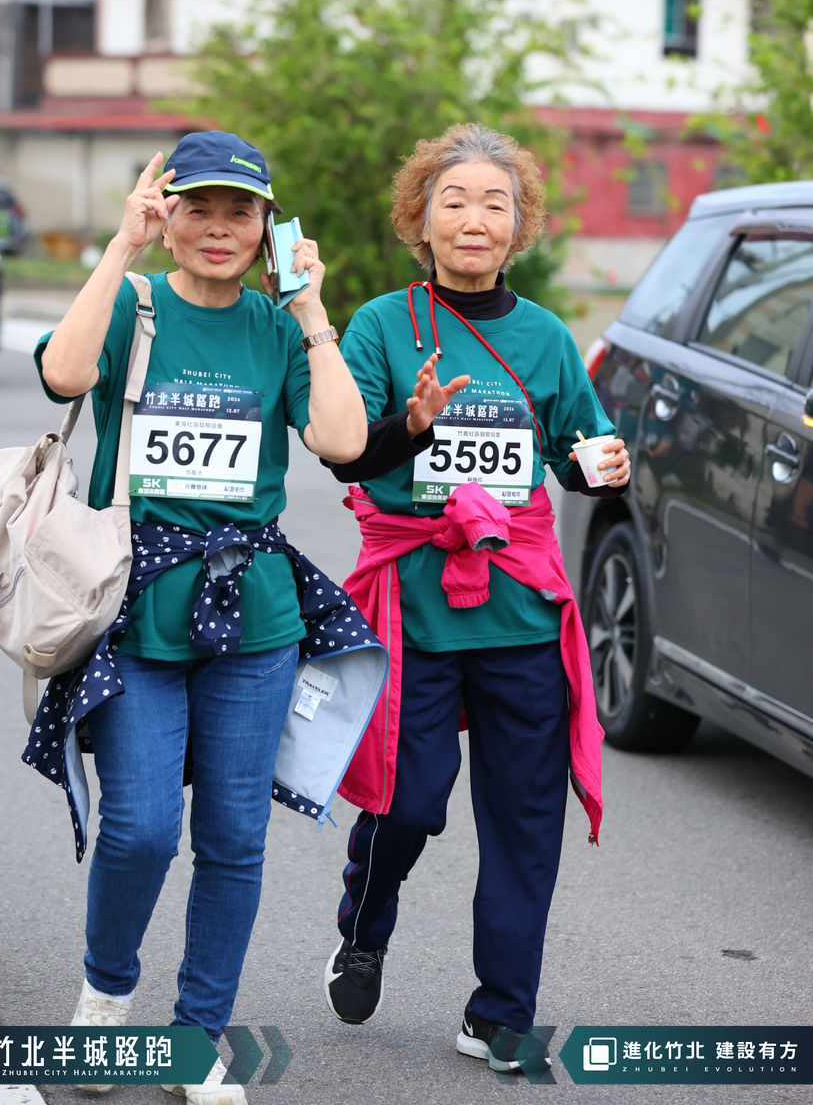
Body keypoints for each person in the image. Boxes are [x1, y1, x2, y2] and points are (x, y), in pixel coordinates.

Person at [30, 130, 367, 1105]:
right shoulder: (134, 304)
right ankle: (105, 995)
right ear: (166, 214)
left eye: (240, 212)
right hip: (134, 607)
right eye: (199, 208)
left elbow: (343, 439)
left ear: (268, 228)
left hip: (253, 618)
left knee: (232, 836)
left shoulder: (275, 327)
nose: (219, 228)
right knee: (139, 828)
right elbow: (62, 375)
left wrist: (311, 311)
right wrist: (119, 248)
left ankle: (197, 1034)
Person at [322, 122, 630, 1074]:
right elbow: (347, 453)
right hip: (412, 610)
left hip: (519, 612)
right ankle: (364, 921)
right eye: (452, 200)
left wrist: (603, 465)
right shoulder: (381, 325)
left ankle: (500, 1009)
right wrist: (412, 425)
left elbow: (577, 455)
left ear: (517, 225)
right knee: (408, 803)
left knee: (525, 821)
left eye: (494, 203)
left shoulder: (544, 337)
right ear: (419, 219)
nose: (473, 218)